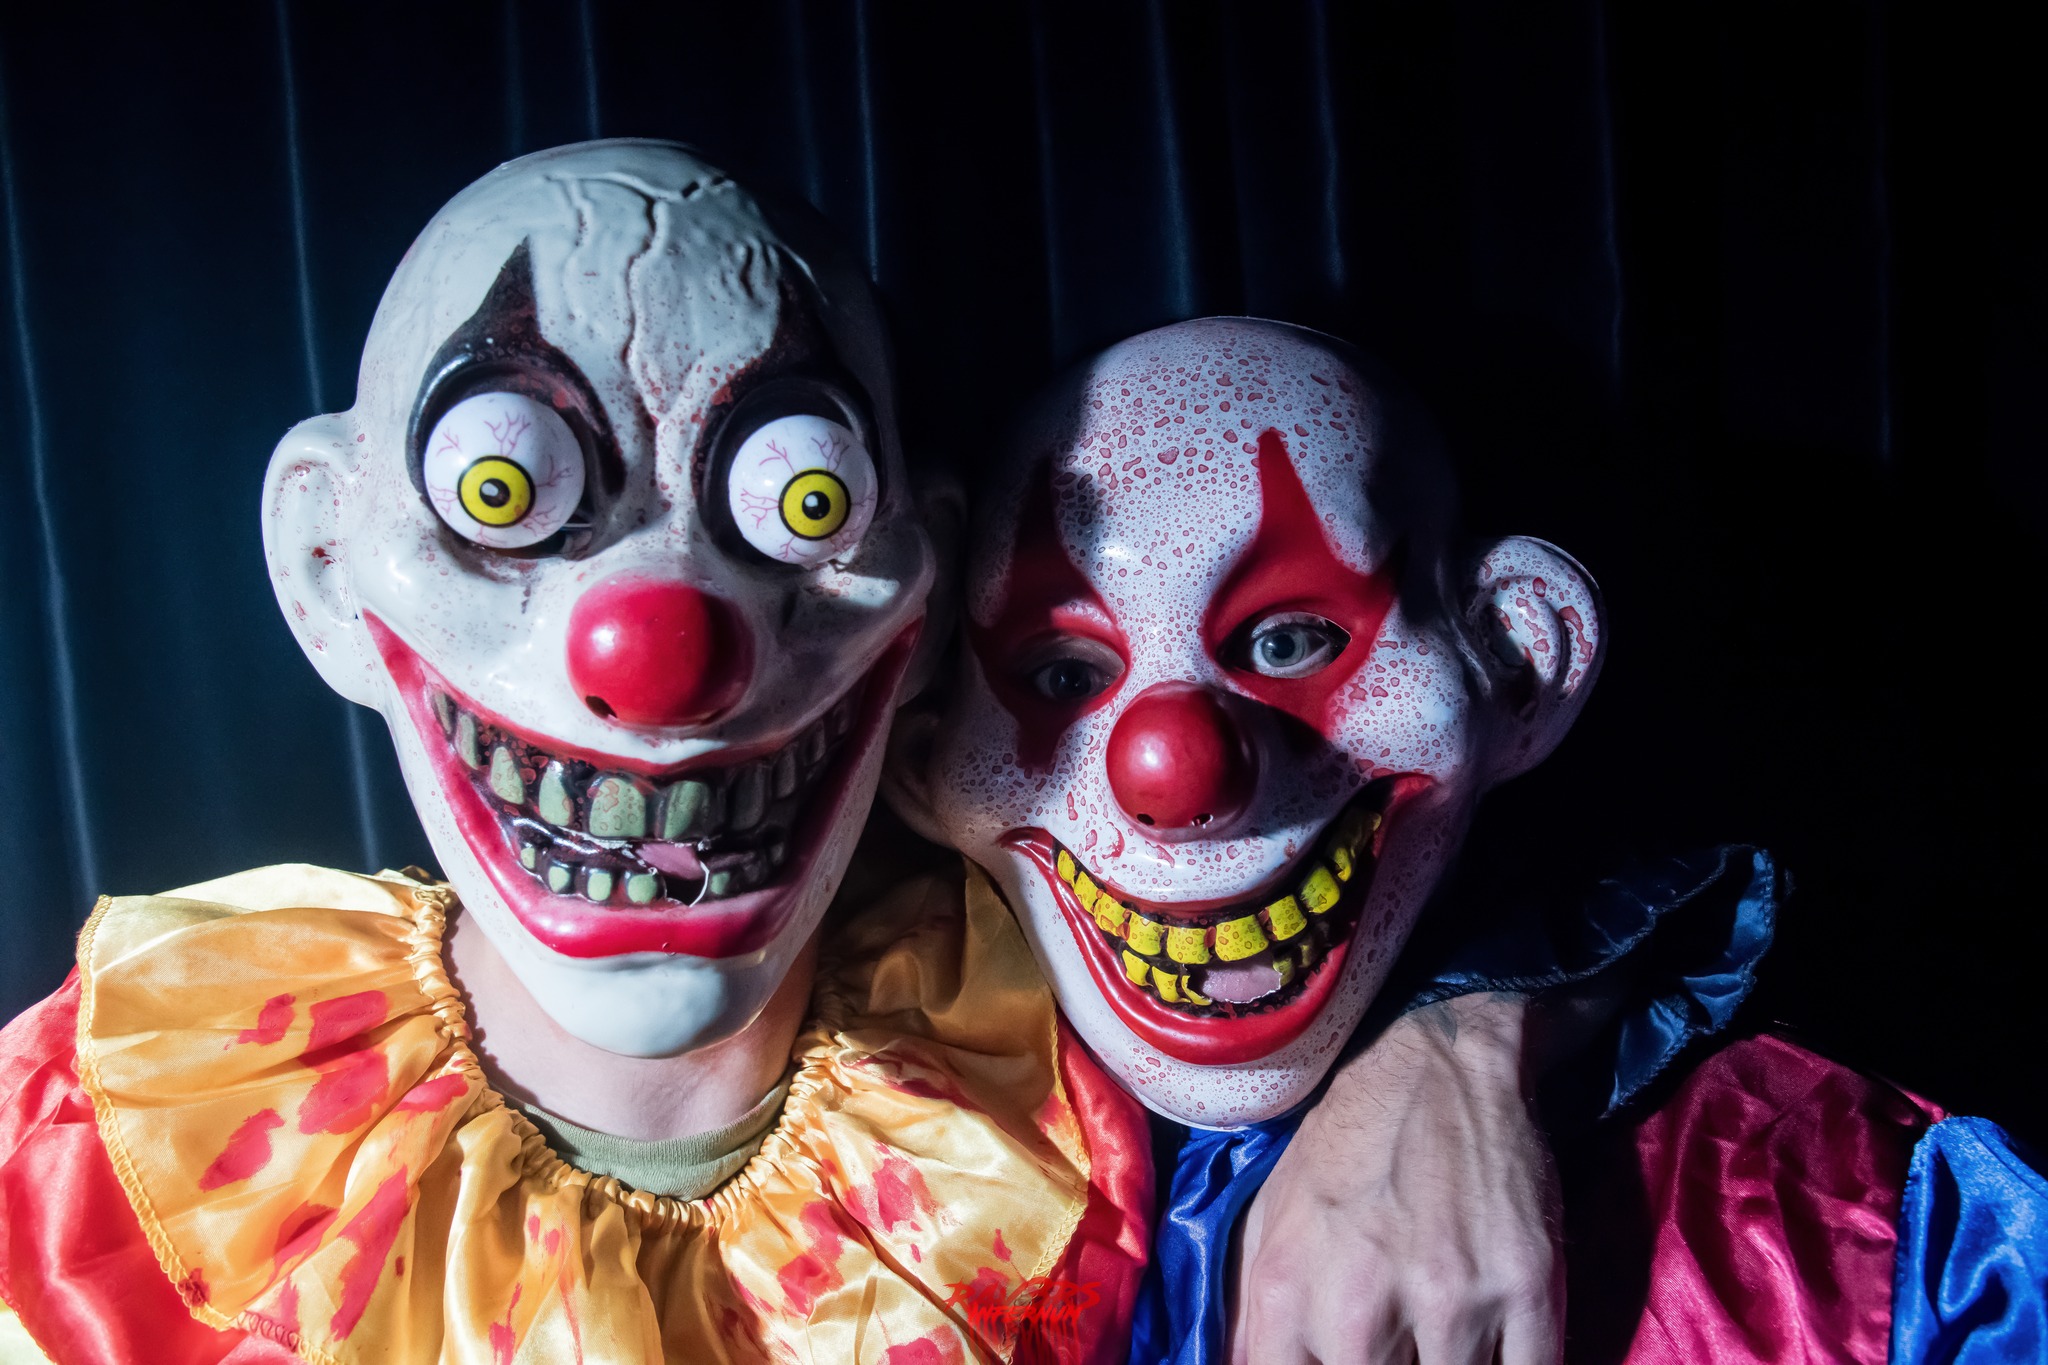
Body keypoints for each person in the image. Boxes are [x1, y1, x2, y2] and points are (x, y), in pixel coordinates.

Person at [0, 139, 1155, 1365]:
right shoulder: (93, 1150)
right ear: (324, 566)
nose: (662, 659)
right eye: (499, 490)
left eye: (804, 503)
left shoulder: (1068, 1098)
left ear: (927, 585)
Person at [886, 317, 2045, 1364]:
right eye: (1061, 673)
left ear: (1519, 660)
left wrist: (1473, 1026)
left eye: (1289, 640)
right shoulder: (859, 1179)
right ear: (919, 757)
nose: (1173, 776)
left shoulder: (1883, 1239)